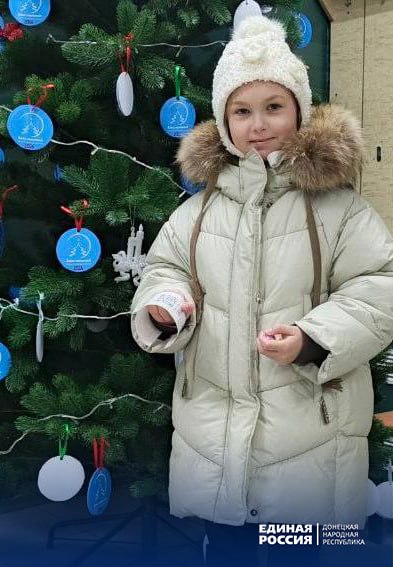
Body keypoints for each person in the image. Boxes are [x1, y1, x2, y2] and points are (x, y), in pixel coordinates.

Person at [130, 15, 393, 567]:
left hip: (309, 434)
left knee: (301, 549)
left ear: (299, 110)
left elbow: (379, 287)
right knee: (228, 547)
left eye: (274, 106)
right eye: (242, 111)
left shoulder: (340, 209)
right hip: (216, 436)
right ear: (224, 121)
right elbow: (165, 267)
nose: (259, 124)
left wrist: (313, 337)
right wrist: (166, 306)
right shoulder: (198, 211)